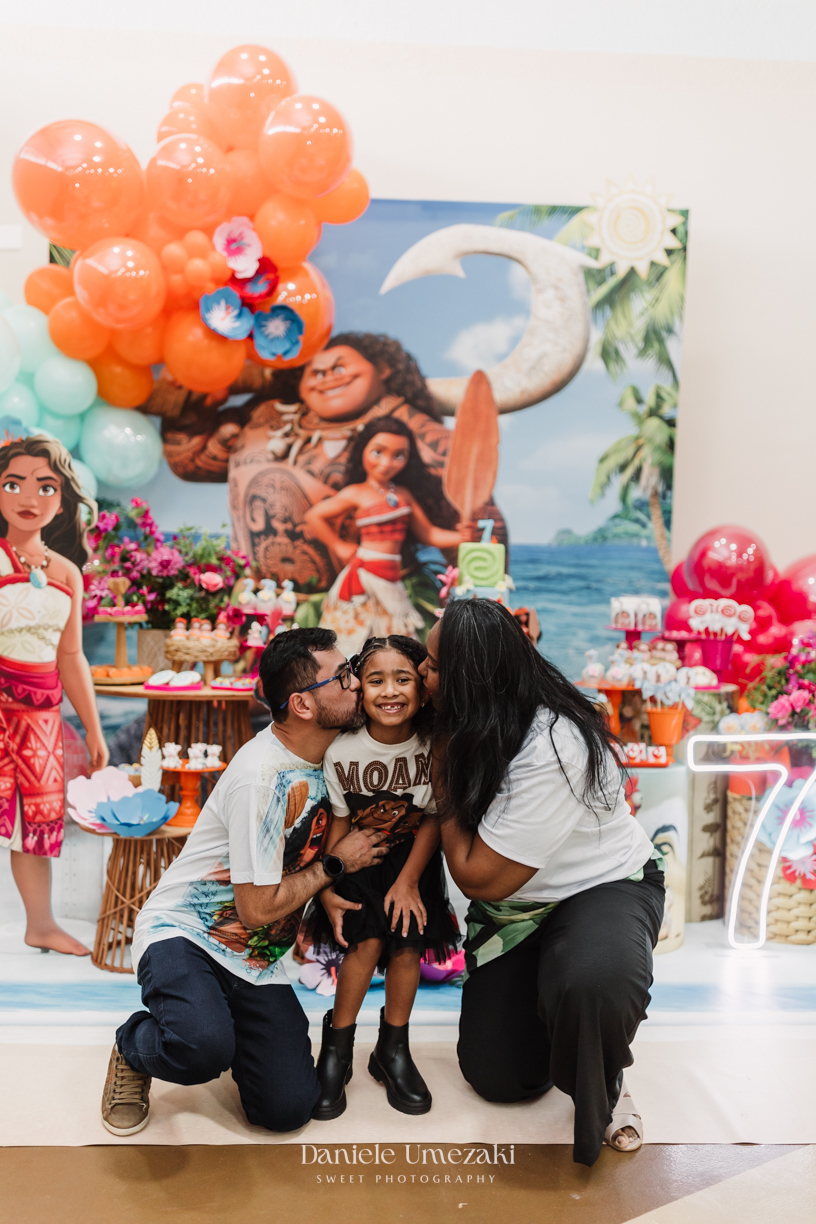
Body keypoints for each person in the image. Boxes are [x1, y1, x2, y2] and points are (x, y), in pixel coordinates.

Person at [101, 628, 390, 1138]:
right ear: (302, 703)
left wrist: (323, 890)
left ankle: (219, 1022)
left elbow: (297, 847)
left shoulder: (336, 751)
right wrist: (334, 868)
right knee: (200, 1048)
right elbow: (256, 909)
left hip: (254, 958)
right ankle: (132, 1046)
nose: (357, 684)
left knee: (287, 1110)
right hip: (185, 934)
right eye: (344, 676)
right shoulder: (262, 778)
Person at [420, 600, 665, 1167]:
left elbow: (481, 879)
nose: (422, 672)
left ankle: (607, 1079)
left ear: (467, 678)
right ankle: (564, 1013)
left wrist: (442, 776)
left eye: (432, 665)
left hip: (601, 887)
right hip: (521, 910)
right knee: (499, 1079)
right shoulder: (469, 717)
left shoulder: (555, 743)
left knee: (592, 980)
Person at [160, 333, 506, 589]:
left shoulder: (415, 433)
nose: (327, 377)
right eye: (317, 371)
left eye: (339, 367)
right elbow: (191, 463)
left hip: (369, 602)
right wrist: (198, 404)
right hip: (262, 606)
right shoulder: (265, 415)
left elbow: (472, 521)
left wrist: (477, 612)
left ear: (382, 369)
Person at [306, 635, 458, 1120]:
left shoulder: (432, 746)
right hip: (358, 860)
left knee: (408, 944)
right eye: (376, 680)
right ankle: (336, 1049)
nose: (389, 691)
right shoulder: (341, 750)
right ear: (359, 688)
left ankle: (392, 1049)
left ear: (423, 686)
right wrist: (327, 889)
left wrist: (410, 880)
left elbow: (434, 818)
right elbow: (339, 823)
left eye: (403, 679)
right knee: (367, 943)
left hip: (413, 861)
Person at [0, 432, 107, 956]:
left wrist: (91, 724)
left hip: (41, 714)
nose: (29, 497)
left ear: (62, 499)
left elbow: (71, 657)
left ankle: (39, 924)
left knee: (32, 823)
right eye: (13, 483)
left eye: (45, 486)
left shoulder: (65, 572)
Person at [306, 417, 476, 656]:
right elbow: (315, 516)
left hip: (391, 578)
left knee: (397, 641)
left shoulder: (402, 494)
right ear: (362, 450)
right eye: (378, 452)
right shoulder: (356, 493)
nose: (386, 463)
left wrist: (461, 537)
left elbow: (428, 533)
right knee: (351, 641)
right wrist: (339, 545)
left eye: (398, 455)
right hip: (364, 577)